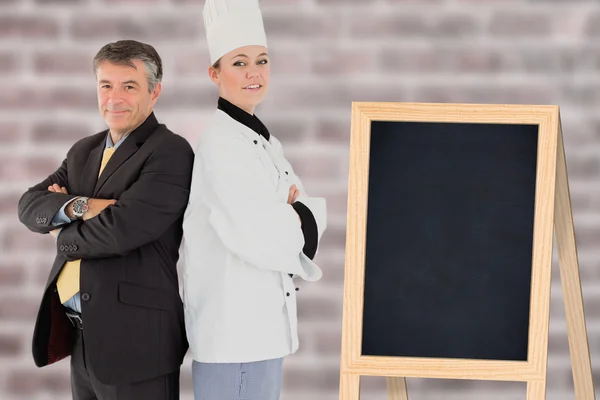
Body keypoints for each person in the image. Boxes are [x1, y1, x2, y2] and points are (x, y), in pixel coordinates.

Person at [17, 39, 193, 400]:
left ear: (154, 92)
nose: (115, 98)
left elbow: (121, 230)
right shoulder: (84, 150)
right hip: (83, 338)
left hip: (137, 344)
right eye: (106, 85)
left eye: (129, 86)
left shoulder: (170, 152)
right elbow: (28, 205)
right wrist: (84, 206)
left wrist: (61, 226)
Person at [181, 1, 327, 399]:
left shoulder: (264, 142)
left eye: (261, 61)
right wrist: (293, 212)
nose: (254, 73)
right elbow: (260, 235)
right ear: (215, 73)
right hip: (235, 339)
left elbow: (310, 211)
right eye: (239, 62)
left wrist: (296, 214)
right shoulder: (222, 145)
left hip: (259, 334)